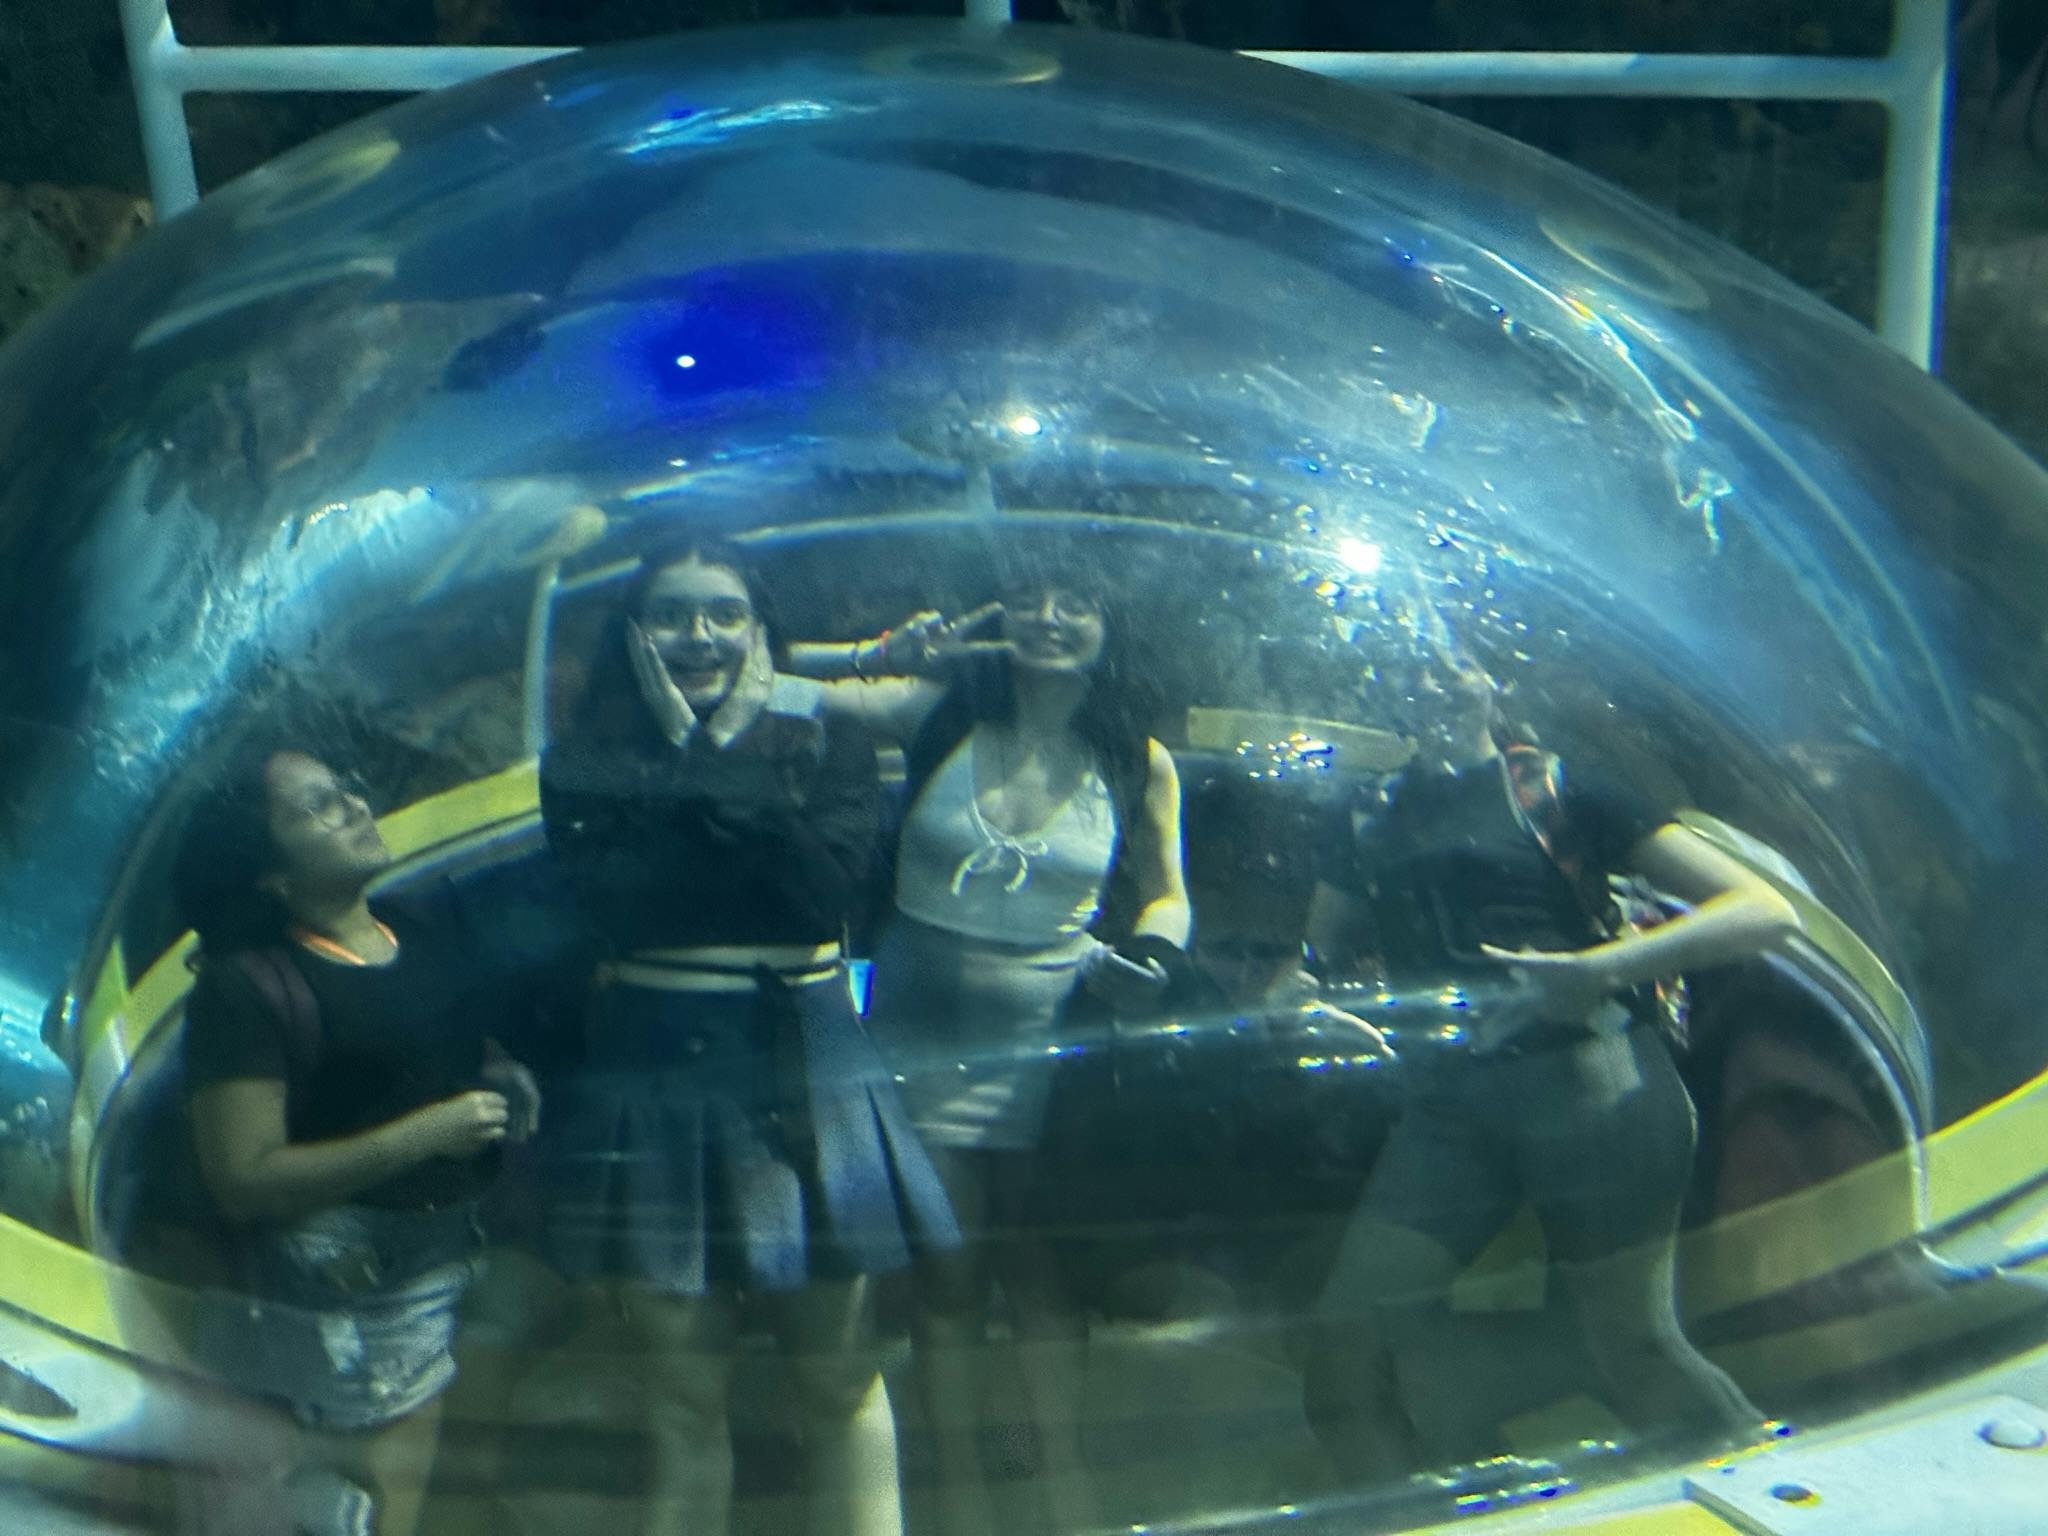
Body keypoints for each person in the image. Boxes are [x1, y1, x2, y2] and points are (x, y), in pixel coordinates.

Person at [536, 539, 958, 1536]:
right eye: (672, 613)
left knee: (840, 1381)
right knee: (681, 1399)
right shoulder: (584, 759)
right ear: (634, 633)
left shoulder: (832, 743)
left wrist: (716, 756)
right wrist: (713, 762)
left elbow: (819, 897)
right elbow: (616, 910)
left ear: (761, 630)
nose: (700, 635)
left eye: (724, 613)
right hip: (657, 1072)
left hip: (808, 1066)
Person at [1297, 637, 1793, 1483]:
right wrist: (1304, 1005)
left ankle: (1785, 1499)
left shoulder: (1563, 789)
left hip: (1595, 1082)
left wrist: (1599, 971)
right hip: (1448, 1105)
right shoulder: (1366, 811)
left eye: (1448, 663)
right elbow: (1311, 960)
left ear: (1491, 680)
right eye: (1407, 667)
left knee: (1632, 1347)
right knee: (1342, 1356)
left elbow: (1764, 910)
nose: (1428, 682)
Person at [791, 561, 1193, 1533]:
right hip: (917, 1040)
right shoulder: (934, 710)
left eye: (1076, 602)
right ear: (997, 615)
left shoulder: (1136, 756)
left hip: (1050, 1049)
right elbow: (769, 678)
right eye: (1028, 600)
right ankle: (964, 1495)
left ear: (1110, 626)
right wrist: (876, 653)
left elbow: (1169, 893)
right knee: (949, 1279)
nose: (1048, 619)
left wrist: (1153, 955)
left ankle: (1061, 1485)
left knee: (1044, 1274)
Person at [175, 742, 541, 1536]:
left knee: (439, 1481)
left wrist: (500, 1072)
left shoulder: (411, 924)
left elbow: (433, 1049)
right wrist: (425, 1135)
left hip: (465, 1241)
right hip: (358, 1275)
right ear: (271, 875)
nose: (354, 807)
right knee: (375, 1496)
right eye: (316, 807)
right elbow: (242, 1178)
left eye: (346, 788)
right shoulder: (246, 988)